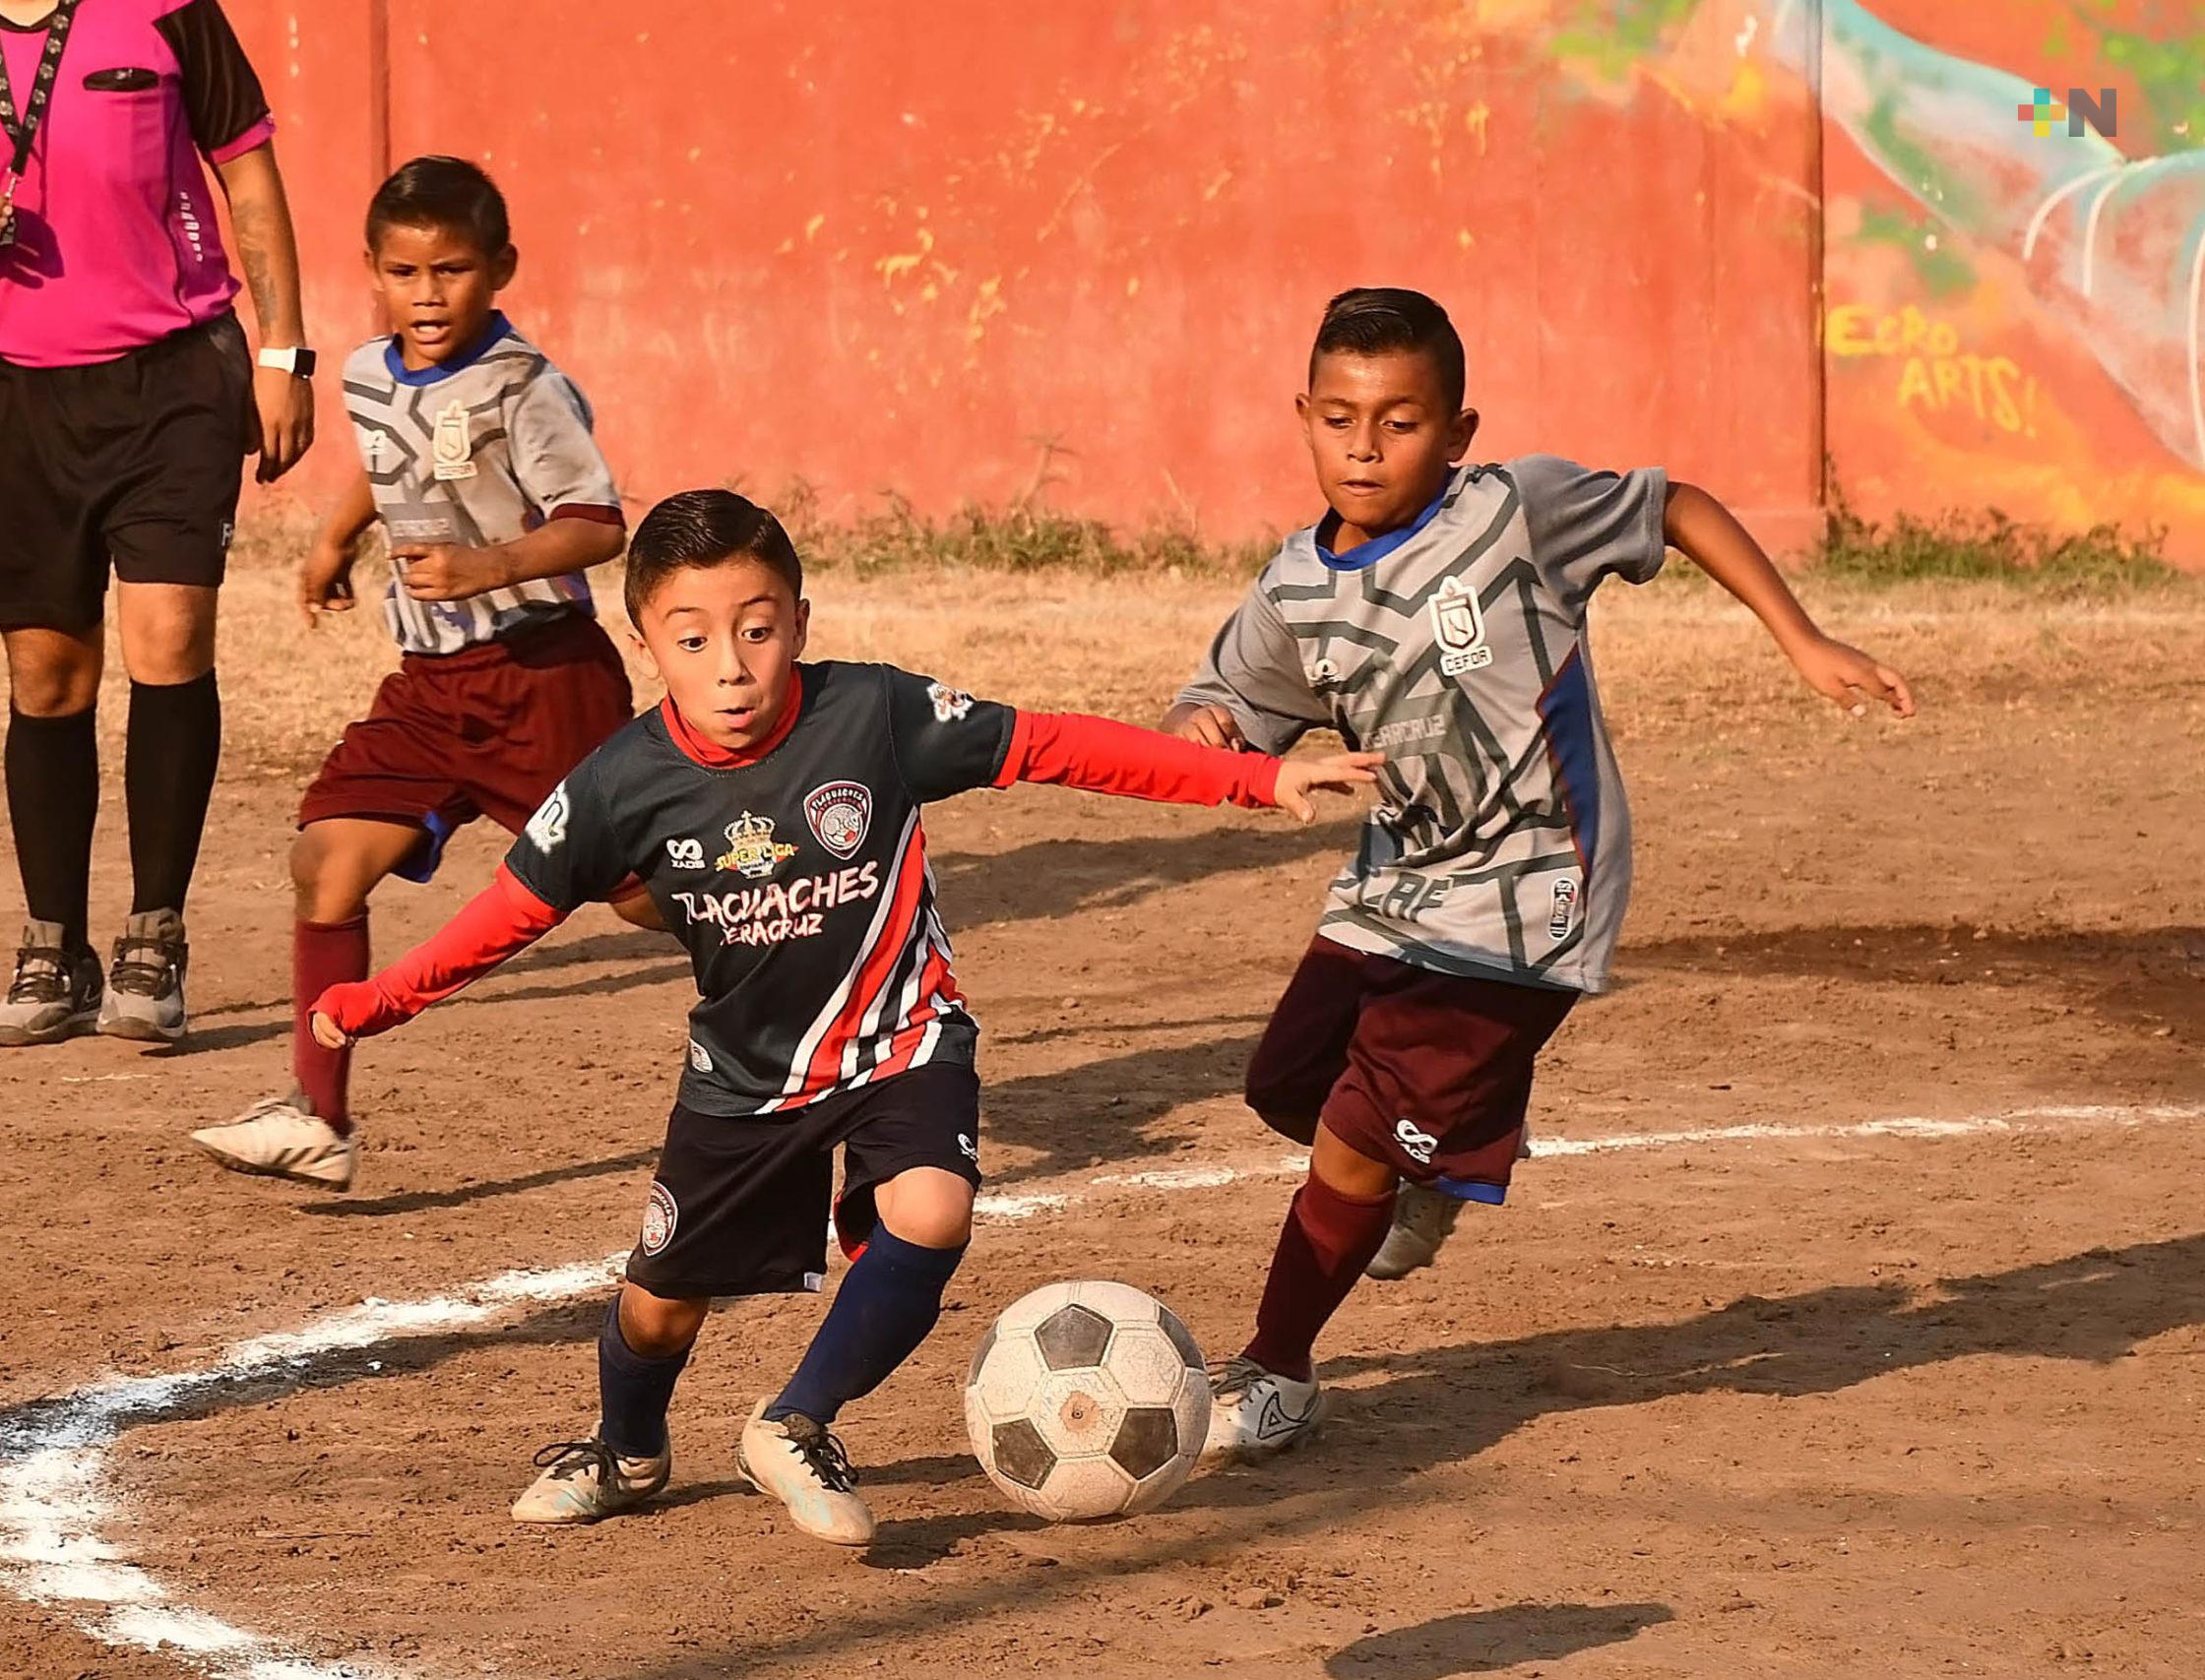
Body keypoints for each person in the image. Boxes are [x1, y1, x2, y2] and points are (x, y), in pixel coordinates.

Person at [306, 489, 1383, 1544]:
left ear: (800, 623)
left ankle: (794, 1423)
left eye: (757, 628)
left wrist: (1252, 778)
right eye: (692, 638)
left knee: (933, 1210)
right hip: (747, 1077)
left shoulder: (872, 715)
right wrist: (379, 999)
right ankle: (627, 1449)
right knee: (660, 1306)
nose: (731, 665)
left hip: (903, 1038)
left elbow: (1053, 744)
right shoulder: (618, 783)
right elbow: (507, 913)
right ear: (646, 644)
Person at [1170, 287, 1916, 1457]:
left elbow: (1673, 505)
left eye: (1399, 422)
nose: (1364, 448)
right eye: (1339, 419)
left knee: (1353, 1140)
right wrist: (1202, 732)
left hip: (1532, 888)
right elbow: (1229, 702)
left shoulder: (1515, 511)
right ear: (1302, 417)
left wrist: (1801, 636)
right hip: (1398, 880)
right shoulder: (1296, 586)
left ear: (1457, 432)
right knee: (1285, 1083)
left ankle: (1276, 1370)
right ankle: (1455, 1137)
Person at [0, 0, 317, 1046]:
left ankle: (155, 939)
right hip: (20, 399)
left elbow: (247, 171)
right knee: (48, 676)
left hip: (177, 375)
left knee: (170, 640)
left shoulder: (169, 10)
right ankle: (53, 949)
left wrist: (284, 352)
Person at [185, 156, 655, 1193]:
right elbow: (393, 453)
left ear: (500, 269)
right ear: (372, 271)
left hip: (543, 678)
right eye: (404, 272)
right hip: (430, 687)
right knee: (325, 861)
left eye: (452, 270)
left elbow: (596, 524)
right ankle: (318, 1114)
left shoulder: (525, 387)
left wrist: (489, 565)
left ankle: (805, 925)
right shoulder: (365, 371)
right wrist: (334, 535)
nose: (428, 294)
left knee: (644, 897)